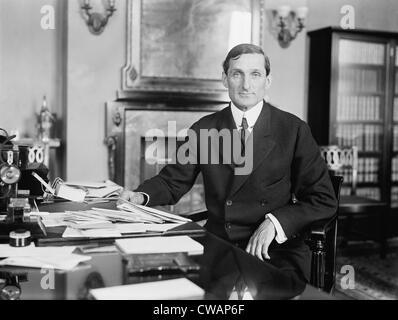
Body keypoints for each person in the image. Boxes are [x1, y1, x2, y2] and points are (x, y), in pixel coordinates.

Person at [119, 43, 337, 283]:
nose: (246, 85)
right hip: (219, 246)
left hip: (275, 250)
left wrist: (275, 223)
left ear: (268, 80)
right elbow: (173, 181)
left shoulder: (293, 129)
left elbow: (323, 200)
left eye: (255, 74)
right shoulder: (204, 128)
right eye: (237, 74)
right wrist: (140, 196)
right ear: (224, 79)